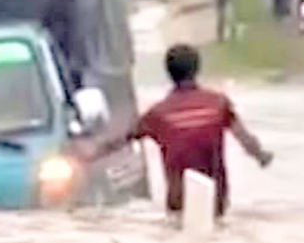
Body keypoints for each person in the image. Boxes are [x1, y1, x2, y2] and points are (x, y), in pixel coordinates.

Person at [73, 44, 274, 219]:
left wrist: (88, 155)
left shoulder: (160, 115)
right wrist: (262, 156)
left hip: (179, 204)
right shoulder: (218, 105)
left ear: (169, 73)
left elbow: (121, 140)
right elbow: (245, 140)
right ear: (197, 69)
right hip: (217, 201)